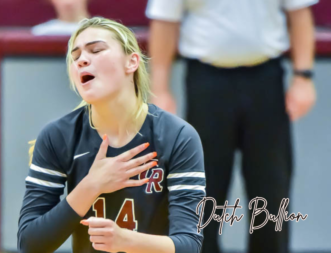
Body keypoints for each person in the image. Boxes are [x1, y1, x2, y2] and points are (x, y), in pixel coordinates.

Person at [18, 17, 206, 253]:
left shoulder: (178, 136)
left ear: (132, 62)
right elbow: (29, 244)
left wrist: (125, 241)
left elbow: (189, 245)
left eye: (96, 50)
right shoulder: (57, 136)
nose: (82, 60)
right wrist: (91, 185)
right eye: (75, 57)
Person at [146, 0, 317, 253]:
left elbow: (300, 14)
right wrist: (159, 89)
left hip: (266, 80)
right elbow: (164, 21)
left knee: (271, 189)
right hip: (206, 82)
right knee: (202, 190)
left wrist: (304, 77)